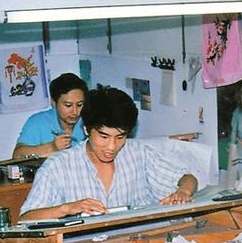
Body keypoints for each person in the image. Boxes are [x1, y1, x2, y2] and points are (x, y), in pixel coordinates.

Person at [19, 86, 197, 221]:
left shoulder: (138, 154)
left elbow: (188, 178)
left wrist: (183, 191)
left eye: (120, 137)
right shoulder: (58, 166)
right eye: (104, 137)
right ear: (87, 129)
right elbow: (26, 219)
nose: (112, 147)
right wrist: (66, 209)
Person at [12, 73, 88, 158]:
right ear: (54, 102)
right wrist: (52, 147)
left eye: (79, 105)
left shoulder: (88, 119)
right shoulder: (38, 122)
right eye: (68, 105)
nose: (75, 112)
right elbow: (17, 155)